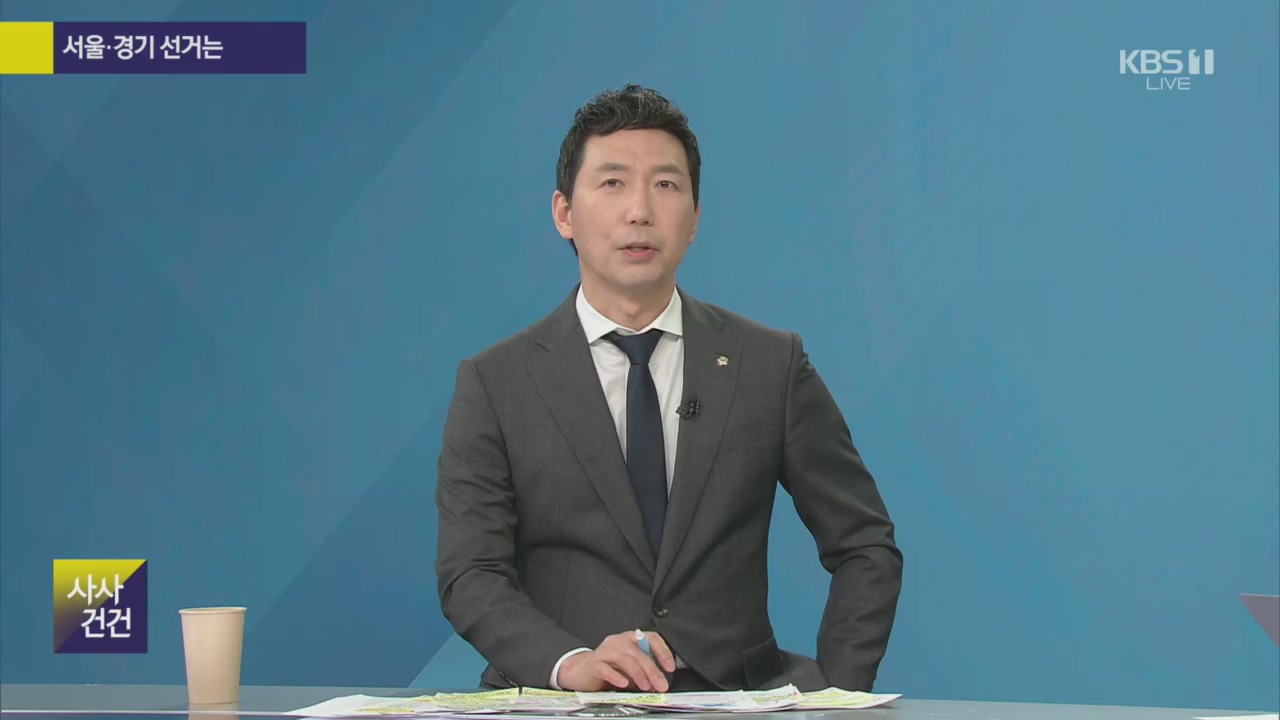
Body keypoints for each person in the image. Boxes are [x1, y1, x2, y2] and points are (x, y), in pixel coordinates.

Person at [435, 84, 902, 694]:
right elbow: (470, 573)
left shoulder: (769, 365)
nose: (640, 211)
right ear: (564, 213)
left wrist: (837, 697)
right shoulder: (496, 383)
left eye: (665, 184)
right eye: (612, 183)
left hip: (734, 699)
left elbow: (865, 545)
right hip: (561, 704)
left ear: (695, 217)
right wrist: (569, 663)